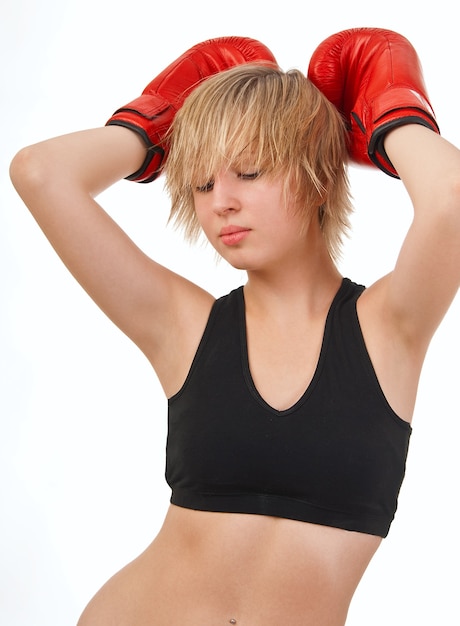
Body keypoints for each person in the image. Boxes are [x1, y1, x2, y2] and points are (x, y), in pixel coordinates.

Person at [9, 27, 459, 626]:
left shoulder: (389, 329)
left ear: (317, 174)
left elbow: (452, 196)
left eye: (248, 172)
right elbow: (40, 173)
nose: (220, 200)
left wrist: (394, 115)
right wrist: (149, 127)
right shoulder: (185, 329)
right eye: (201, 181)